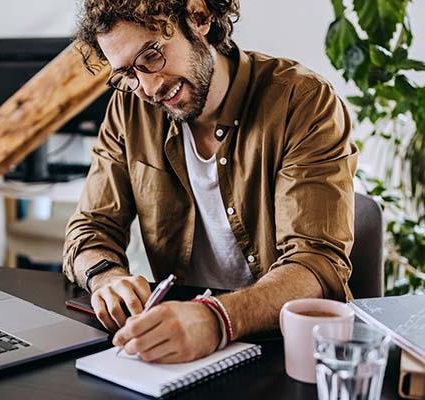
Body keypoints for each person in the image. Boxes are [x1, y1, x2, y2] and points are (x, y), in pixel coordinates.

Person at [63, 0, 358, 364]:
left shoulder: (302, 102)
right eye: (128, 74)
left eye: (152, 57)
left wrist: (217, 318)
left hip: (284, 347)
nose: (149, 88)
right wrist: (106, 278)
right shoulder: (129, 110)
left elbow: (316, 263)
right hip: (179, 335)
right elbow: (90, 229)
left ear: (199, 17)